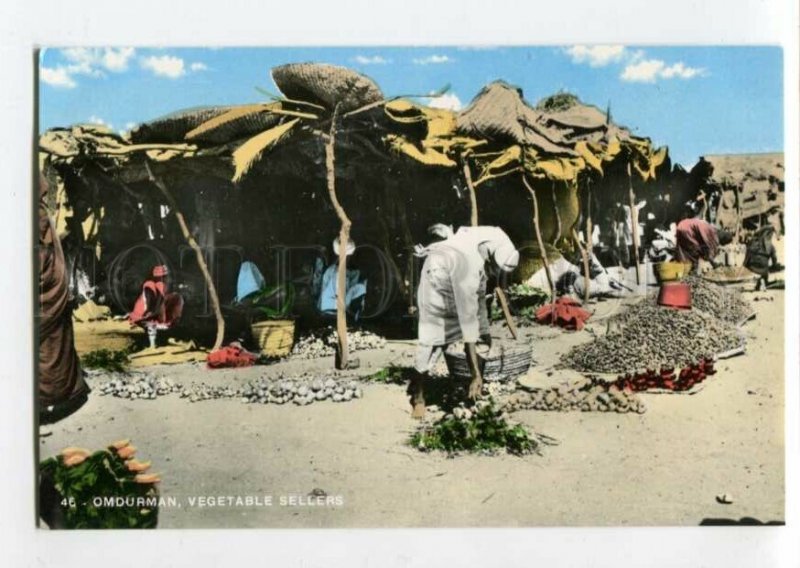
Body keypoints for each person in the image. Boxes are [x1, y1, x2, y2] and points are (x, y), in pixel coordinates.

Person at [408, 225, 519, 419]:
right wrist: (475, 372)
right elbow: (468, 324)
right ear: (490, 256)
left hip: (455, 276)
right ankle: (418, 395)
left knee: (483, 334)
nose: (495, 273)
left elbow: (478, 306)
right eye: (495, 268)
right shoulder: (468, 263)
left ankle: (475, 386)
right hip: (436, 286)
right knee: (432, 341)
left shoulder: (495, 238)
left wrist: (483, 333)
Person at [38, 174, 90, 424]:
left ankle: (51, 401)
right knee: (53, 346)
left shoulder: (35, 217)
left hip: (47, 288)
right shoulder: (39, 215)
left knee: (48, 348)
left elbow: (41, 261)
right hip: (53, 286)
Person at [129, 265, 184, 348]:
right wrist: (149, 310)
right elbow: (149, 298)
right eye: (165, 276)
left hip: (156, 310)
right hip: (145, 311)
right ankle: (152, 344)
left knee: (176, 298)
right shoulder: (150, 284)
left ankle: (164, 337)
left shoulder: (162, 285)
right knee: (151, 324)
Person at [744, 226, 782, 291]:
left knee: (763, 272)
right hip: (763, 265)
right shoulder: (770, 245)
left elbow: (749, 250)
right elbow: (774, 257)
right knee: (765, 272)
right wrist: (774, 264)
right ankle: (763, 283)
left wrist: (746, 261)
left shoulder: (755, 241)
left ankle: (758, 285)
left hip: (753, 263)